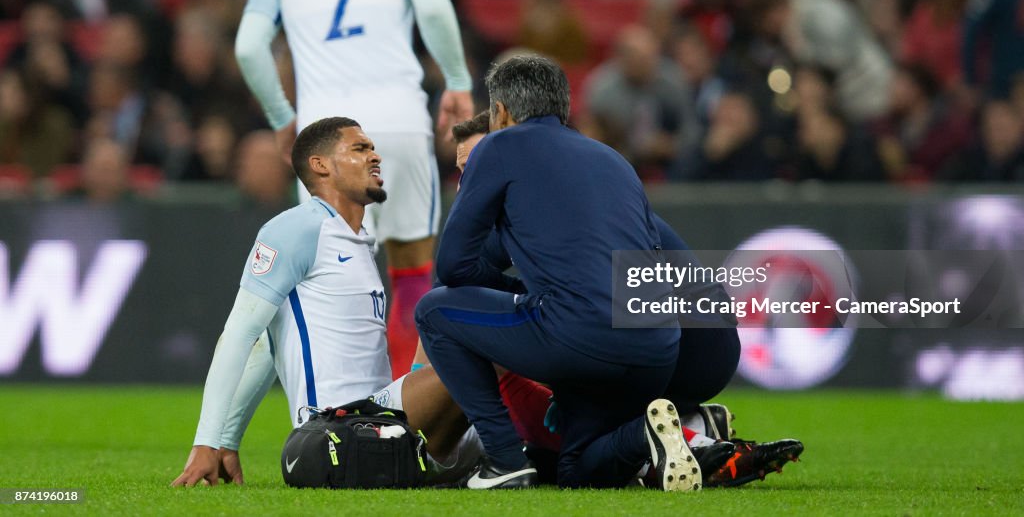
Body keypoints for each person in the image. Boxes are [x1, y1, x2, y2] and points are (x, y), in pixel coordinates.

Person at [447, 111, 805, 488]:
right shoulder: (568, 185)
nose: (465, 183)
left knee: (577, 459)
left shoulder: (538, 203)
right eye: (461, 171)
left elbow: (472, 290)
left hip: (669, 343)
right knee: (555, 438)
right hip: (707, 340)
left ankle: (673, 436)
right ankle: (695, 428)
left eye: (475, 165)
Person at [233, 0, 475, 375]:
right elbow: (433, 10)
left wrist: (282, 117)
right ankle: (415, 412)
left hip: (324, 135)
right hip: (401, 119)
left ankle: (347, 411)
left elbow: (250, 45)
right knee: (413, 265)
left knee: (333, 272)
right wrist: (456, 82)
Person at [417, 55, 705, 490]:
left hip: (580, 337)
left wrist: (519, 292)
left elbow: (452, 266)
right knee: (577, 469)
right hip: (656, 346)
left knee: (435, 310)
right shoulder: (612, 158)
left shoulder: (498, 146)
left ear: (499, 113)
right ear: (563, 107)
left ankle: (504, 459)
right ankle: (646, 434)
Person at [171, 117, 477, 488]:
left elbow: (270, 347)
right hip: (338, 427)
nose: (375, 156)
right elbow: (240, 334)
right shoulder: (296, 229)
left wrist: (228, 442)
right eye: (359, 149)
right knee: (481, 348)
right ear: (320, 165)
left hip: (383, 415)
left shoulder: (360, 238)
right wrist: (208, 441)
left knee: (457, 322)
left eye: (372, 148)